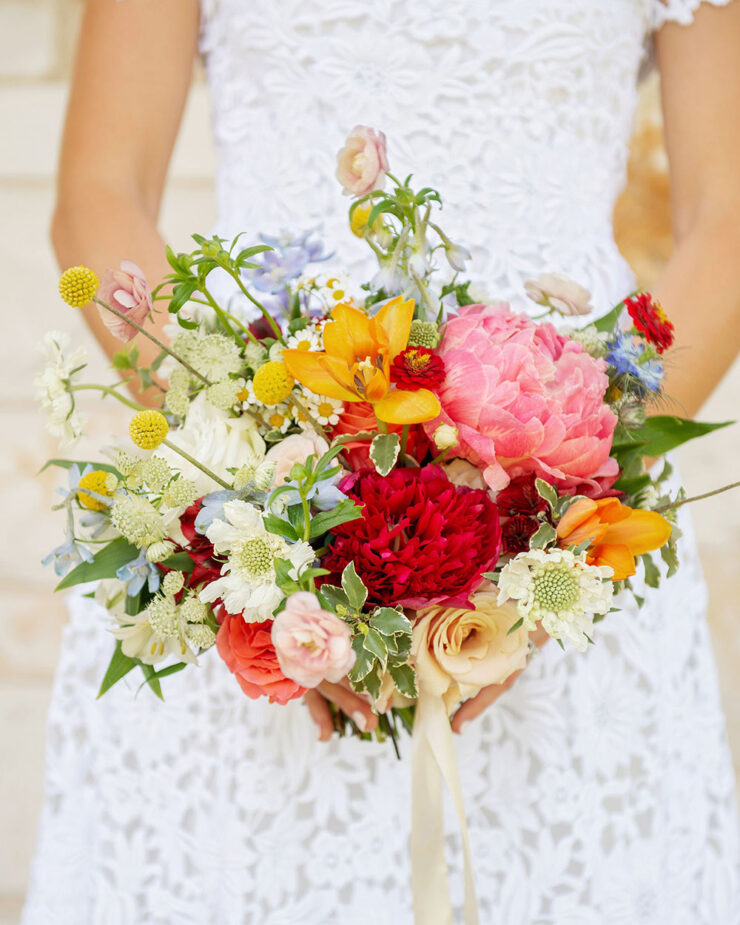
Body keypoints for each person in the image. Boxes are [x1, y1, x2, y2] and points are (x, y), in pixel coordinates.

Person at [23, 1, 740, 922]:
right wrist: (258, 496)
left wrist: (548, 530)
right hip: (255, 507)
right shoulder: (255, 501)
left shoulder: (561, 524)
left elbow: (726, 220)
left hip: (572, 524)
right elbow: (99, 195)